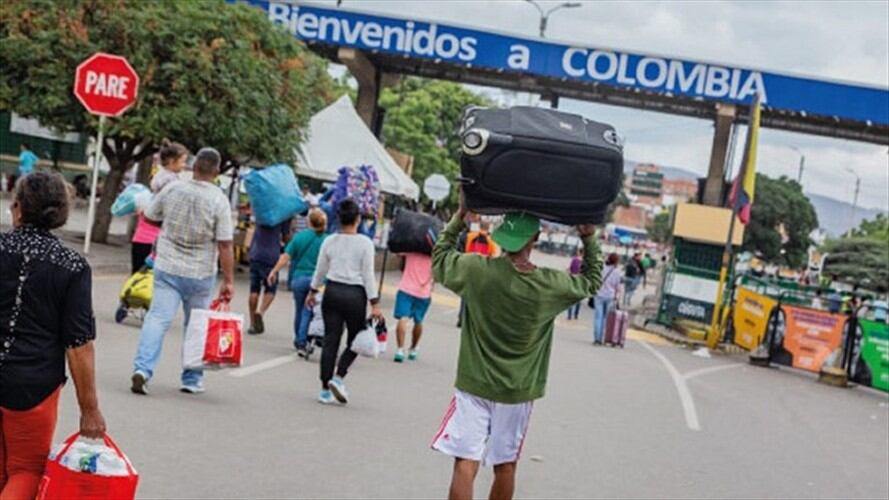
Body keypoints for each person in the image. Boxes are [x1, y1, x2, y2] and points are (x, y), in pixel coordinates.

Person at [431, 197, 602, 500]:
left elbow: (440, 259)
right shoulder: (550, 285)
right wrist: (588, 237)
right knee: (505, 465)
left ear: (501, 237)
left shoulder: (475, 270)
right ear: (535, 238)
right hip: (517, 391)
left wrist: (460, 217)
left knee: (464, 464)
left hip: (474, 384)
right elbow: (591, 281)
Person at [0, 172, 106, 498]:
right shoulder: (72, 266)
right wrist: (89, 409)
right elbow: (79, 344)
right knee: (25, 470)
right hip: (32, 387)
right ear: (61, 214)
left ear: (17, 209)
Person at [131, 147, 234, 395]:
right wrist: (229, 280)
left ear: (194, 167)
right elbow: (225, 243)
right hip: (200, 272)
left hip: (167, 265)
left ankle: (143, 370)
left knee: (157, 318)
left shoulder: (173, 188)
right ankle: (191, 378)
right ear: (217, 171)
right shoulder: (219, 200)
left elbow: (151, 216)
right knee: (196, 325)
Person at [306, 199, 381, 405]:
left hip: (332, 291)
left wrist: (312, 291)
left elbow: (320, 270)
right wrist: (375, 303)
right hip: (355, 295)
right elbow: (368, 275)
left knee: (331, 340)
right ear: (358, 219)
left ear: (338, 218)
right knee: (356, 340)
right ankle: (339, 377)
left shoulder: (329, 241)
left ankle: (324, 389)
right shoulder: (365, 243)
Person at [268, 209, 328, 355]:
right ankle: (305, 340)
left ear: (309, 221)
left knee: (300, 310)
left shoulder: (299, 237)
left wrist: (274, 271)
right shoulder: (328, 240)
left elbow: (286, 256)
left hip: (299, 278)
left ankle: (299, 340)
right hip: (319, 281)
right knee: (311, 310)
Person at [130, 141, 188, 273]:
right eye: (182, 162)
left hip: (141, 238)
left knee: (137, 280)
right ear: (172, 161)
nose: (184, 166)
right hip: (157, 242)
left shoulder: (158, 179)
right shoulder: (171, 182)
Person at [246, 219, 290, 335]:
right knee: (271, 288)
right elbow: (286, 237)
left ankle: (252, 323)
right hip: (272, 257)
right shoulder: (282, 214)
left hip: (256, 254)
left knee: (254, 290)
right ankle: (260, 312)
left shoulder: (261, 210)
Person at [393, 252, 434, 362]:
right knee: (418, 321)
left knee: (403, 318)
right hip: (424, 293)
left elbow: (397, 253)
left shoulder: (411, 250)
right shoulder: (433, 255)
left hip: (405, 289)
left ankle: (400, 350)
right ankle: (413, 348)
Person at [593, 253, 623, 345]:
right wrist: (618, 297)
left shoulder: (602, 269)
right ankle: (606, 338)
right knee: (607, 319)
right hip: (610, 296)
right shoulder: (618, 272)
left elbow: (596, 280)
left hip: (599, 295)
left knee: (598, 318)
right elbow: (618, 287)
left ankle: (597, 339)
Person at [566, 247, 584, 320]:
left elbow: (570, 269)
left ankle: (569, 315)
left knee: (571, 298)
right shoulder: (585, 261)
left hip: (573, 280)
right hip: (581, 281)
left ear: (579, 252)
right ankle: (576, 315)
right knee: (579, 299)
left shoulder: (574, 259)